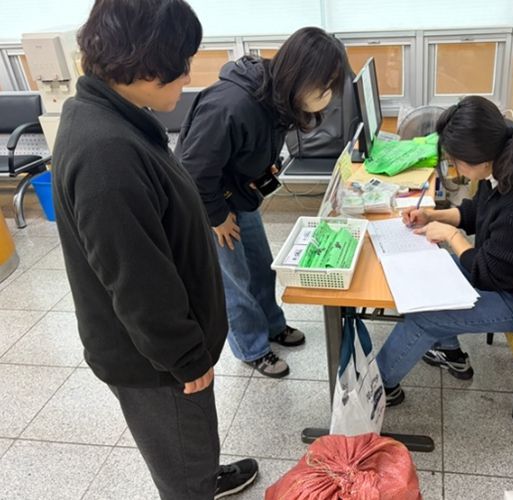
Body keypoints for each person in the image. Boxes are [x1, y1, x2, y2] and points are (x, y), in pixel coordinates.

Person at [52, 1, 258, 497]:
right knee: (182, 461)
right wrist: (186, 357)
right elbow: (137, 282)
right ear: (143, 63)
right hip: (155, 361)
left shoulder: (116, 117)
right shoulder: (106, 153)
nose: (187, 75)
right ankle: (195, 483)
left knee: (190, 440)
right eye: (181, 62)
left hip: (165, 347)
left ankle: (200, 471)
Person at [377, 96, 513, 406]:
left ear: (480, 159)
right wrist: (433, 215)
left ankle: (378, 388)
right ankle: (448, 351)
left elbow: (489, 274)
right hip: (510, 272)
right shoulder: (504, 155)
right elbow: (478, 211)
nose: (454, 169)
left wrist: (453, 236)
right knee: (434, 271)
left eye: (456, 161)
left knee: (425, 317)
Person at [176, 27, 347, 378]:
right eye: (324, 85)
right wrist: (217, 217)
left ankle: (272, 324)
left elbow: (254, 141)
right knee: (234, 279)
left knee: (259, 265)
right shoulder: (231, 105)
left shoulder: (278, 95)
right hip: (206, 201)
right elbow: (193, 172)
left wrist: (266, 165)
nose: (327, 94)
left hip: (239, 190)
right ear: (301, 73)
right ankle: (252, 348)